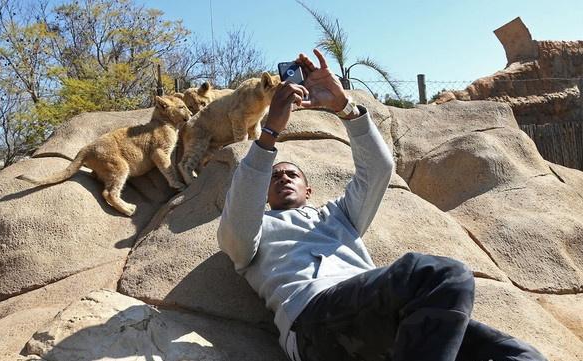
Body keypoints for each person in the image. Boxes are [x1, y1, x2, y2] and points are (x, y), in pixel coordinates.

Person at [217, 49, 546, 361]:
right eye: (275, 177)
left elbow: (378, 169)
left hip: (389, 324)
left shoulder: (339, 216)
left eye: (292, 174)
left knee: (521, 355)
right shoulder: (255, 230)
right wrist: (270, 131)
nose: (284, 178)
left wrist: (344, 106)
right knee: (443, 274)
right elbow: (239, 218)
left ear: (309, 189)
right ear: (264, 192)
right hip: (314, 323)